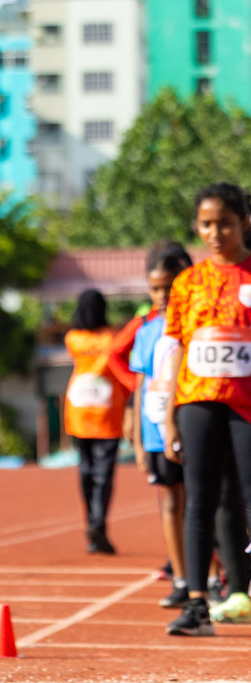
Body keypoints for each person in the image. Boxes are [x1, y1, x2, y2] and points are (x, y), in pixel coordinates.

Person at [162, 183, 251, 635]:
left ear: (244, 223)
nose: (215, 233)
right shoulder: (187, 283)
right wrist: (164, 413)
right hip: (197, 400)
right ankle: (197, 604)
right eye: (206, 224)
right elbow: (173, 347)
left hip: (246, 405)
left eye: (224, 224)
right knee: (199, 499)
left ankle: (243, 589)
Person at [129, 242, 194, 608]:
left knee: (200, 504)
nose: (162, 296)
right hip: (155, 431)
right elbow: (140, 386)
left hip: (190, 426)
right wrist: (138, 441)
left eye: (169, 288)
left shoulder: (192, 326)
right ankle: (182, 577)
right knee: (170, 503)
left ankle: (216, 577)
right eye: (155, 289)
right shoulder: (146, 331)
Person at [63, 288, 127, 554]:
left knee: (85, 469)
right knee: (104, 472)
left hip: (78, 407)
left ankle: (90, 521)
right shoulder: (112, 338)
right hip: (106, 409)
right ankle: (99, 523)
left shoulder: (73, 339)